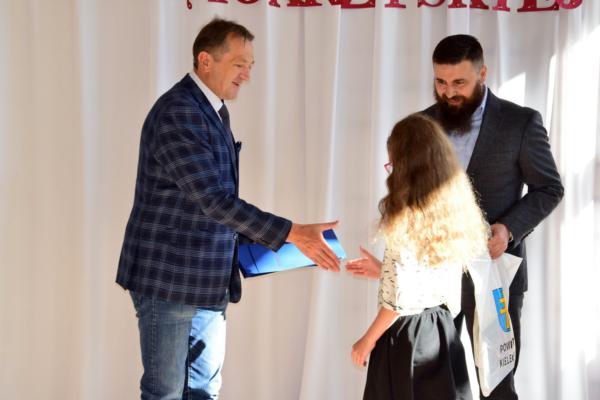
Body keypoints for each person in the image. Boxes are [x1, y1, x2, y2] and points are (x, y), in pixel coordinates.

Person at [116, 18, 340, 399]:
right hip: (169, 281)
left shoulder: (212, 110)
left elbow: (214, 203)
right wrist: (292, 233)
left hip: (208, 282)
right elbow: (213, 200)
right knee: (165, 392)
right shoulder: (179, 112)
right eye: (239, 64)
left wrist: (277, 241)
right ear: (206, 60)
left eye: (250, 66)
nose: (247, 75)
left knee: (204, 390)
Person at [349, 35, 564, 399]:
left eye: (459, 82)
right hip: (434, 293)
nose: (449, 92)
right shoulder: (420, 125)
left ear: (482, 73)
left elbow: (549, 188)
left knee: (497, 386)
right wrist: (389, 268)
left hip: (495, 277)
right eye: (441, 82)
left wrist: (508, 230)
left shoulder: (521, 122)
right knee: (435, 388)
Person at [349, 113, 489, 400]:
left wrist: (366, 340)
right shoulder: (450, 210)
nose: (391, 173)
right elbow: (429, 276)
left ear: (407, 166)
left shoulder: (407, 215)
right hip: (441, 330)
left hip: (408, 338)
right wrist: (384, 269)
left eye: (393, 165)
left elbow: (399, 301)